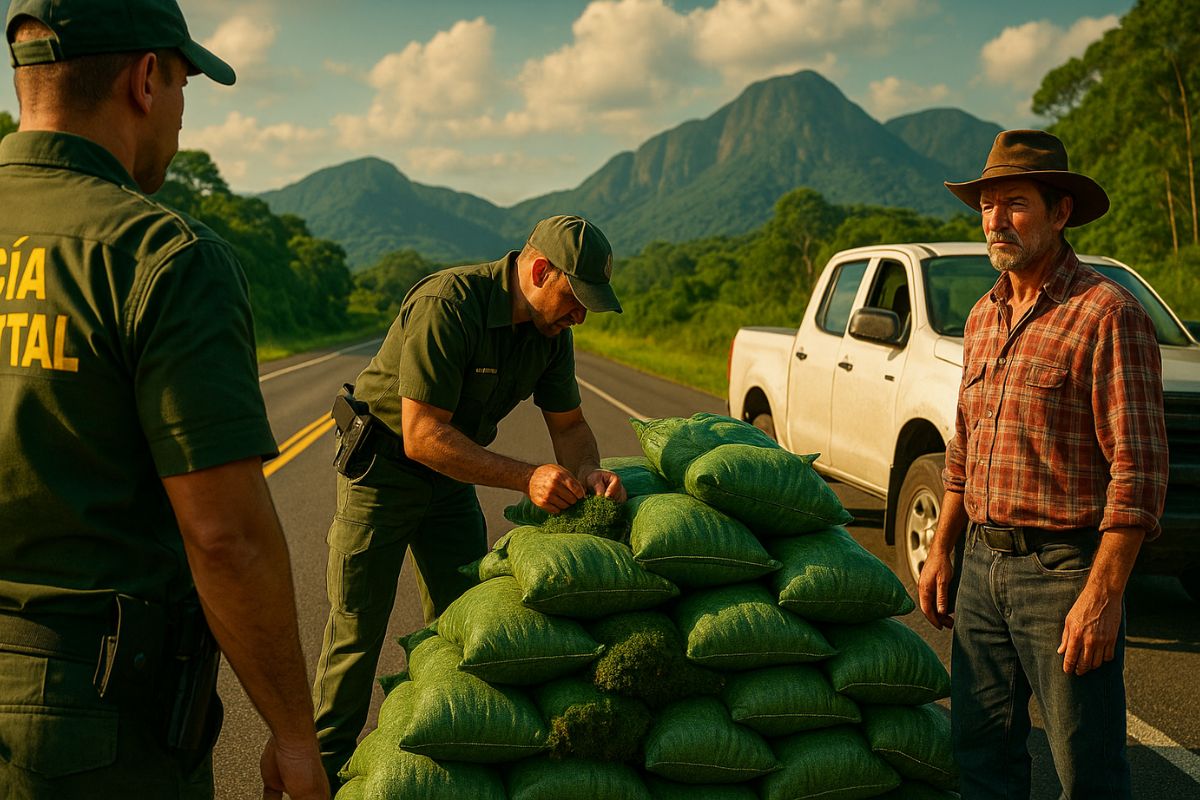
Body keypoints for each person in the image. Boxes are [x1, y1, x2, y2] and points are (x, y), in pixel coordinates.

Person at [0, 1, 328, 798]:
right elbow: (225, 539)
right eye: (185, 82)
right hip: (86, 729)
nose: (182, 114)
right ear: (147, 78)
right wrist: (291, 734)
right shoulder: (164, 257)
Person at [312, 214, 627, 785]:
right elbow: (422, 435)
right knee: (357, 636)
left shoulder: (553, 336)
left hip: (451, 477)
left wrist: (588, 468)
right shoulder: (450, 303)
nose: (581, 313)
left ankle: (437, 772)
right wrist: (530, 477)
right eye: (575, 298)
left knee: (462, 625)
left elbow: (572, 423)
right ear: (538, 270)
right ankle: (318, 777)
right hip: (382, 472)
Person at [918, 129, 1168, 799]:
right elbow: (964, 447)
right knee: (980, 761)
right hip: (981, 567)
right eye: (988, 204)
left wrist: (1104, 595)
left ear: (1060, 214)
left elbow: (1139, 472)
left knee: (1086, 772)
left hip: (1063, 573)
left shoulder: (1106, 315)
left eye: (1016, 203)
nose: (996, 220)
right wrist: (944, 547)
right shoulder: (982, 316)